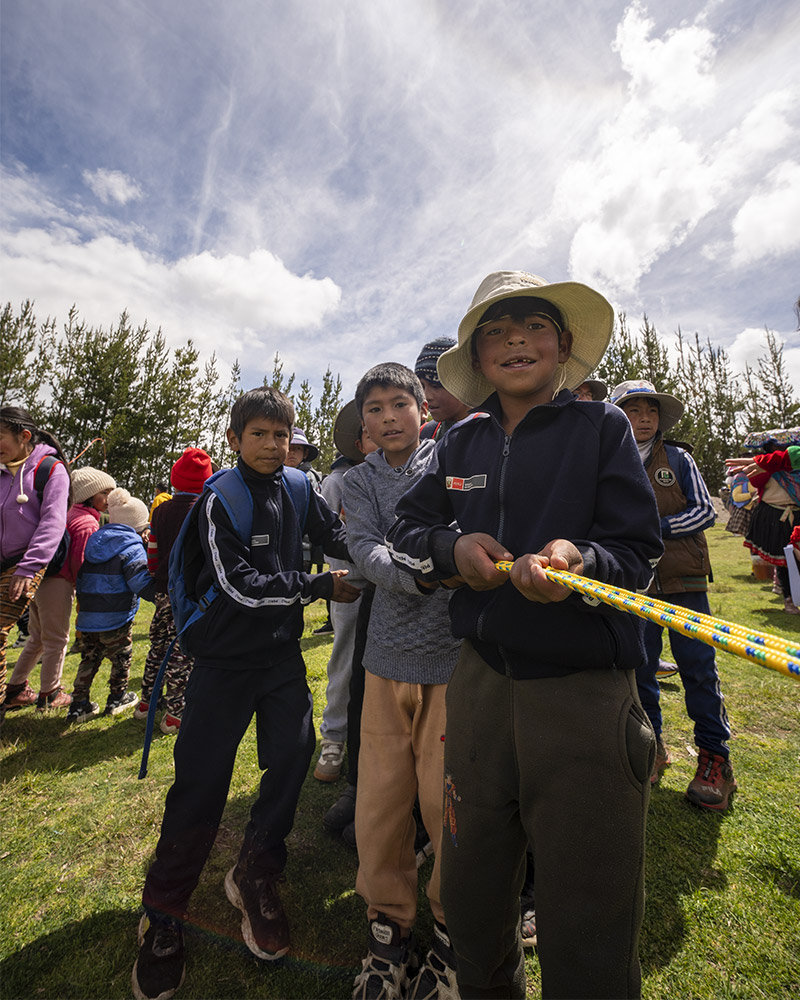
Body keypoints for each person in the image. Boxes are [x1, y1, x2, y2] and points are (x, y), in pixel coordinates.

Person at [385, 270, 663, 1000]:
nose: (516, 341)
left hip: (585, 695)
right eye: (496, 333)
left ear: (565, 346)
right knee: (474, 902)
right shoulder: (457, 443)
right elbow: (407, 529)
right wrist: (453, 552)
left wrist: (580, 561)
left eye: (534, 326)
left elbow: (637, 553)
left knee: (589, 916)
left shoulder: (601, 428)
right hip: (476, 689)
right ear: (476, 360)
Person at [132, 387, 360, 1000]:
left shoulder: (300, 488)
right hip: (223, 660)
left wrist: (391, 559)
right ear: (234, 441)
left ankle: (256, 872)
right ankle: (165, 913)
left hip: (280, 658)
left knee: (291, 761)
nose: (272, 445)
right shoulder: (218, 501)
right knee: (201, 783)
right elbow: (238, 588)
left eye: (281, 436)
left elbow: (340, 537)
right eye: (258, 434)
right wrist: (317, 586)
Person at [344, 363, 462, 1000]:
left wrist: (443, 558)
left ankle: (450, 933)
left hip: (453, 662)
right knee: (381, 804)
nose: (388, 418)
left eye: (399, 404)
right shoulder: (359, 482)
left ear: (424, 410)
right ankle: (387, 927)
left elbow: (463, 534)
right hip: (386, 660)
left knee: (447, 804)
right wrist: (428, 570)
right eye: (376, 409)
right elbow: (364, 551)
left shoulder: (452, 463)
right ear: (363, 422)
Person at [611, 379, 736, 808]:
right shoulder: (609, 461)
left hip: (684, 581)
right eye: (633, 410)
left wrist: (654, 531)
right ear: (617, 418)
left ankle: (715, 758)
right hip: (636, 585)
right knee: (642, 669)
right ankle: (653, 747)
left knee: (698, 668)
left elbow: (703, 512)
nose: (644, 418)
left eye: (651, 411)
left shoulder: (679, 458)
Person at [5, 466, 116, 712]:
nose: (109, 498)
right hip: (58, 583)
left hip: (39, 580)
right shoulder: (87, 522)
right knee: (57, 639)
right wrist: (83, 590)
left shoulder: (67, 514)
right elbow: (80, 561)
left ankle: (14, 689)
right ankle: (50, 693)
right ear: (89, 494)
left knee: (37, 638)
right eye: (105, 492)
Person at [314, 401, 375, 782]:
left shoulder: (411, 474)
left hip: (399, 590)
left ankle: (372, 742)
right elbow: (326, 534)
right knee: (346, 659)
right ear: (357, 440)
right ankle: (334, 738)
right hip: (353, 586)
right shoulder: (340, 481)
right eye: (368, 429)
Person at [1, 406, 71, 730]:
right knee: (38, 635)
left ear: (24, 436)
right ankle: (14, 691)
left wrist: (28, 568)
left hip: (26, 566)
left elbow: (52, 523)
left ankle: (44, 692)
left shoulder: (50, 470)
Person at [135, 448, 213, 734]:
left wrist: (156, 577)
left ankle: (146, 704)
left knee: (158, 646)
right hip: (189, 593)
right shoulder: (204, 508)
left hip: (163, 589)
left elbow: (152, 550)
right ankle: (176, 714)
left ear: (175, 479)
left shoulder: (162, 509)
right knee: (182, 652)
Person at [67, 488, 157, 722]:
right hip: (115, 617)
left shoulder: (95, 541)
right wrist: (158, 595)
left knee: (89, 658)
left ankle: (78, 705)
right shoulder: (131, 546)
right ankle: (117, 698)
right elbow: (139, 580)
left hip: (87, 616)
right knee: (121, 657)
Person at [726, 434, 800, 614]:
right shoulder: (762, 469)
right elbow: (752, 485)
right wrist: (765, 468)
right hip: (775, 518)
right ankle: (788, 599)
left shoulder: (795, 472)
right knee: (784, 560)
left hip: (797, 516)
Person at [415, 337, 471, 440]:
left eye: (435, 385)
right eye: (422, 387)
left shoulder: (493, 431)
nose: (427, 396)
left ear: (463, 383)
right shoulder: (424, 435)